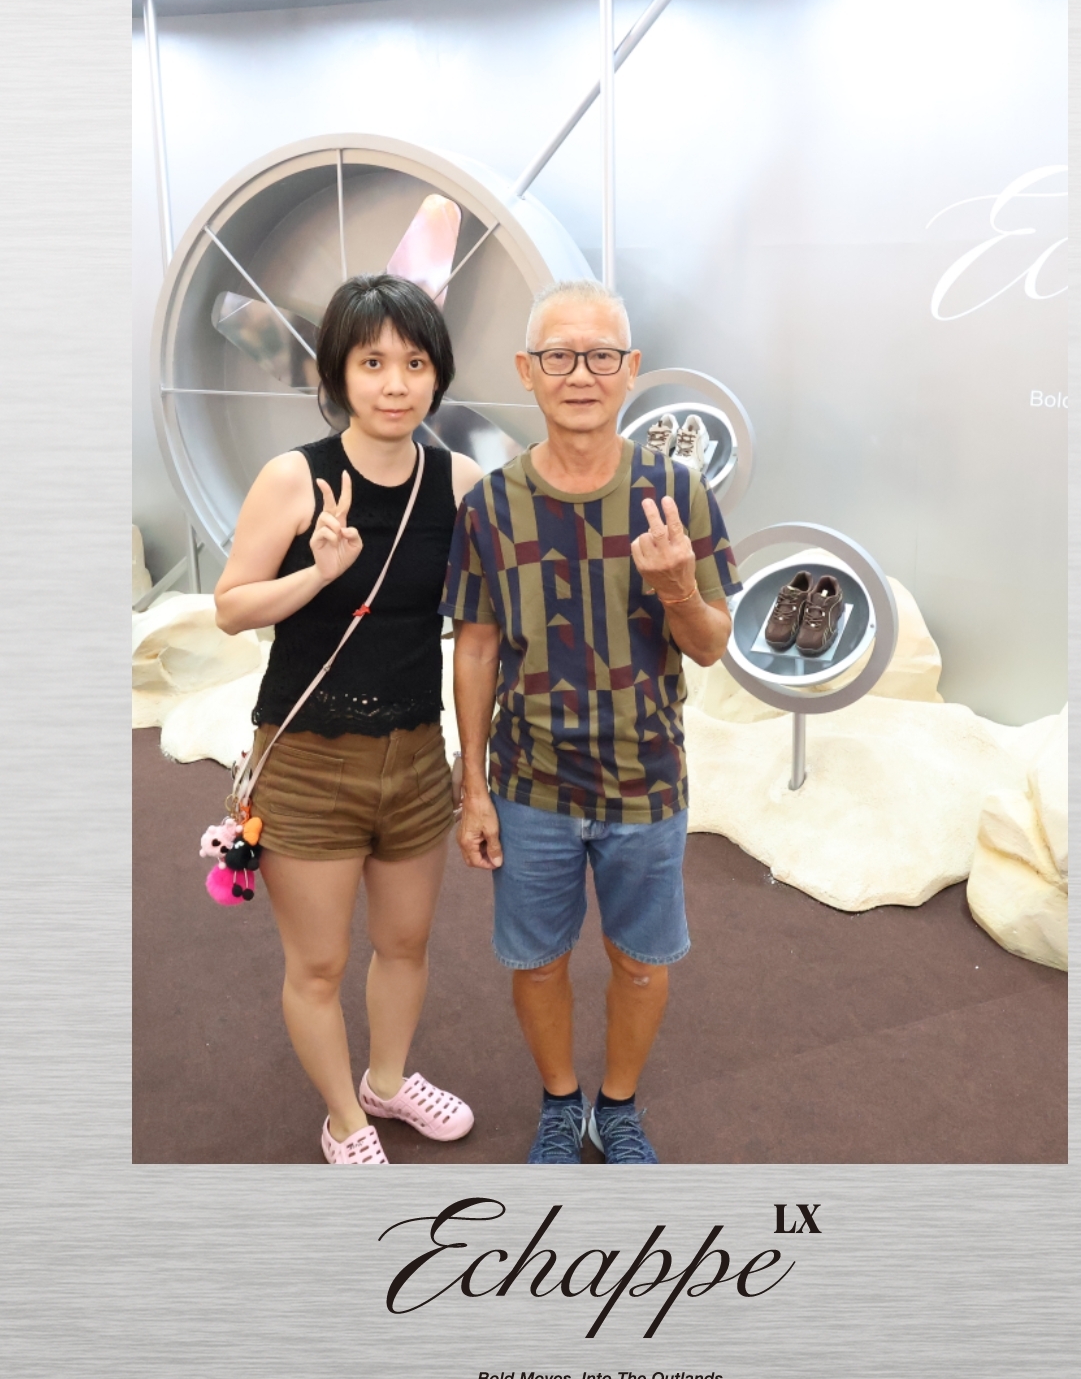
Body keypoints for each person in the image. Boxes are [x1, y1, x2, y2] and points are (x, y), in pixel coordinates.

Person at [442, 278, 741, 1164]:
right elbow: (476, 650)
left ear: (632, 368)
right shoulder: (490, 506)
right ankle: (559, 1104)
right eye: (560, 356)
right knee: (536, 962)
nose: (582, 374)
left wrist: (677, 586)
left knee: (642, 963)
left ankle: (618, 1109)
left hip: (646, 778)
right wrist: (472, 788)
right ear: (527, 370)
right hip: (528, 782)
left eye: (602, 355)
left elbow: (711, 644)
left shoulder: (676, 494)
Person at [214, 274, 481, 1166]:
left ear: (437, 375)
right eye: (372, 363)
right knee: (319, 964)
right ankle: (344, 1121)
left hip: (416, 754)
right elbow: (231, 607)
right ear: (338, 372)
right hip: (308, 759)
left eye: (415, 363)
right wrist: (318, 574)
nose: (395, 384)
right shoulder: (294, 476)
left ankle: (388, 1081)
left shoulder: (459, 482)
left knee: (405, 944)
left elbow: (487, 618)